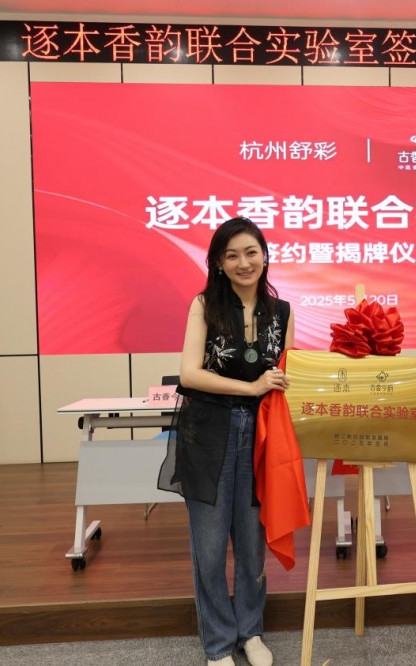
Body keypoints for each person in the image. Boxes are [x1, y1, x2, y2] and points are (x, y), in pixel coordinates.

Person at [158, 217, 294, 666]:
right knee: (211, 546)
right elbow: (190, 374)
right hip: (209, 432)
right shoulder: (204, 305)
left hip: (261, 437)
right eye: (231, 255)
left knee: (253, 543)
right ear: (218, 263)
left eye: (251, 252)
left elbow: (286, 377)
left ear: (265, 256)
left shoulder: (282, 313)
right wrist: (251, 388)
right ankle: (218, 643)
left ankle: (250, 631)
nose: (243, 262)